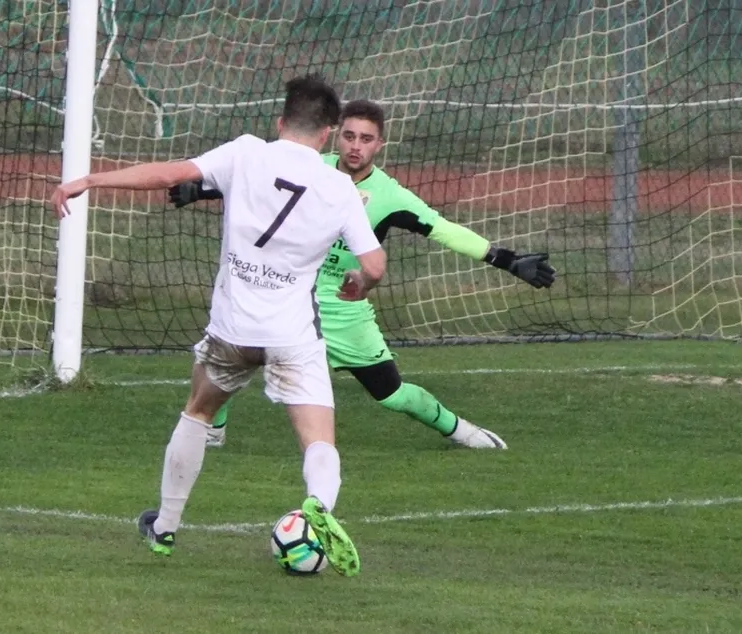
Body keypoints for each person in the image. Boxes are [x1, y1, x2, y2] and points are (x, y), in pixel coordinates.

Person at [51, 76, 386, 577]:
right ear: (327, 135)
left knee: (199, 412)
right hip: (292, 335)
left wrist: (92, 181)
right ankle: (318, 506)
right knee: (319, 440)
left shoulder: (245, 152)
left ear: (281, 122)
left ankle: (165, 527)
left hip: (232, 330)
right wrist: (360, 283)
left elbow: (169, 175)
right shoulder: (339, 187)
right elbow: (374, 264)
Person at [169, 99, 556, 450]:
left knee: (392, 394)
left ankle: (460, 431)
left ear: (379, 145)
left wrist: (507, 260)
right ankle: (213, 428)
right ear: (335, 135)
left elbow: (442, 229)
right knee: (224, 353)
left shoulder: (389, 195)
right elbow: (256, 179)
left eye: (366, 139)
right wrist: (200, 191)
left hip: (343, 311)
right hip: (286, 297)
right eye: (349, 136)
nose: (356, 146)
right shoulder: (311, 165)